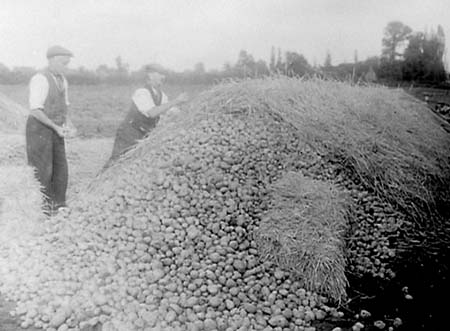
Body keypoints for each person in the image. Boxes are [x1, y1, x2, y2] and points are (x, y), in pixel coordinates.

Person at [26, 45, 77, 215]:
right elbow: (35, 110)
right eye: (63, 63)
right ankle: (44, 209)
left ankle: (59, 203)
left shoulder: (63, 80)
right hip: (39, 129)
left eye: (67, 63)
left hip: (56, 129)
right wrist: (56, 127)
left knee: (60, 165)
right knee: (43, 168)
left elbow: (65, 106)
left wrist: (68, 124)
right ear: (52, 60)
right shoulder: (40, 79)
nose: (66, 67)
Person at [104, 67, 188, 168]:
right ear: (150, 76)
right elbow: (152, 112)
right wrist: (176, 101)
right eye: (160, 74)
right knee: (115, 164)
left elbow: (169, 110)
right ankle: (99, 183)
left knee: (134, 166)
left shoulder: (162, 95)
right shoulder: (142, 93)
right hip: (129, 133)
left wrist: (186, 112)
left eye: (163, 75)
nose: (163, 77)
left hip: (144, 135)